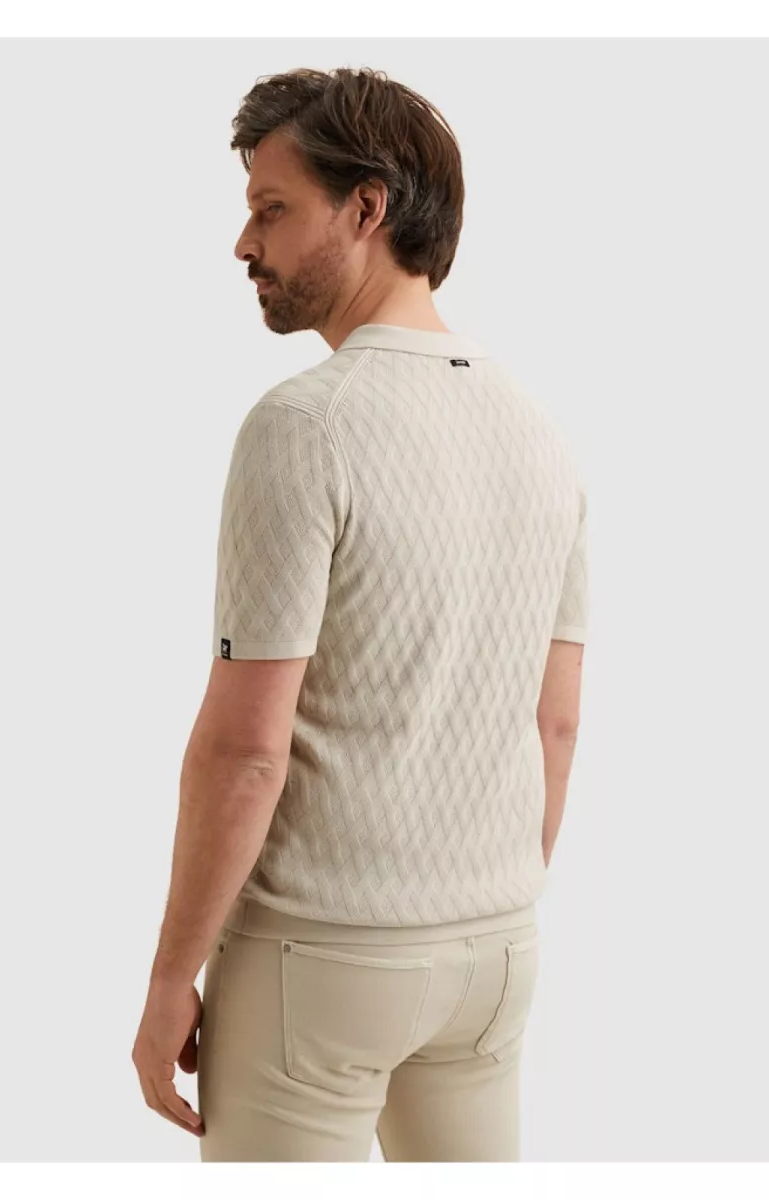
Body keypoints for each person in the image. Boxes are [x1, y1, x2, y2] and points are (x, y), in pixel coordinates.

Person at [132, 66, 587, 1163]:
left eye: (272, 208)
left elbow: (246, 751)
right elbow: (557, 721)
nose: (244, 243)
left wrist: (170, 976)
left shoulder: (305, 427)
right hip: (496, 954)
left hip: (321, 958)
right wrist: (485, 899)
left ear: (366, 208)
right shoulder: (539, 433)